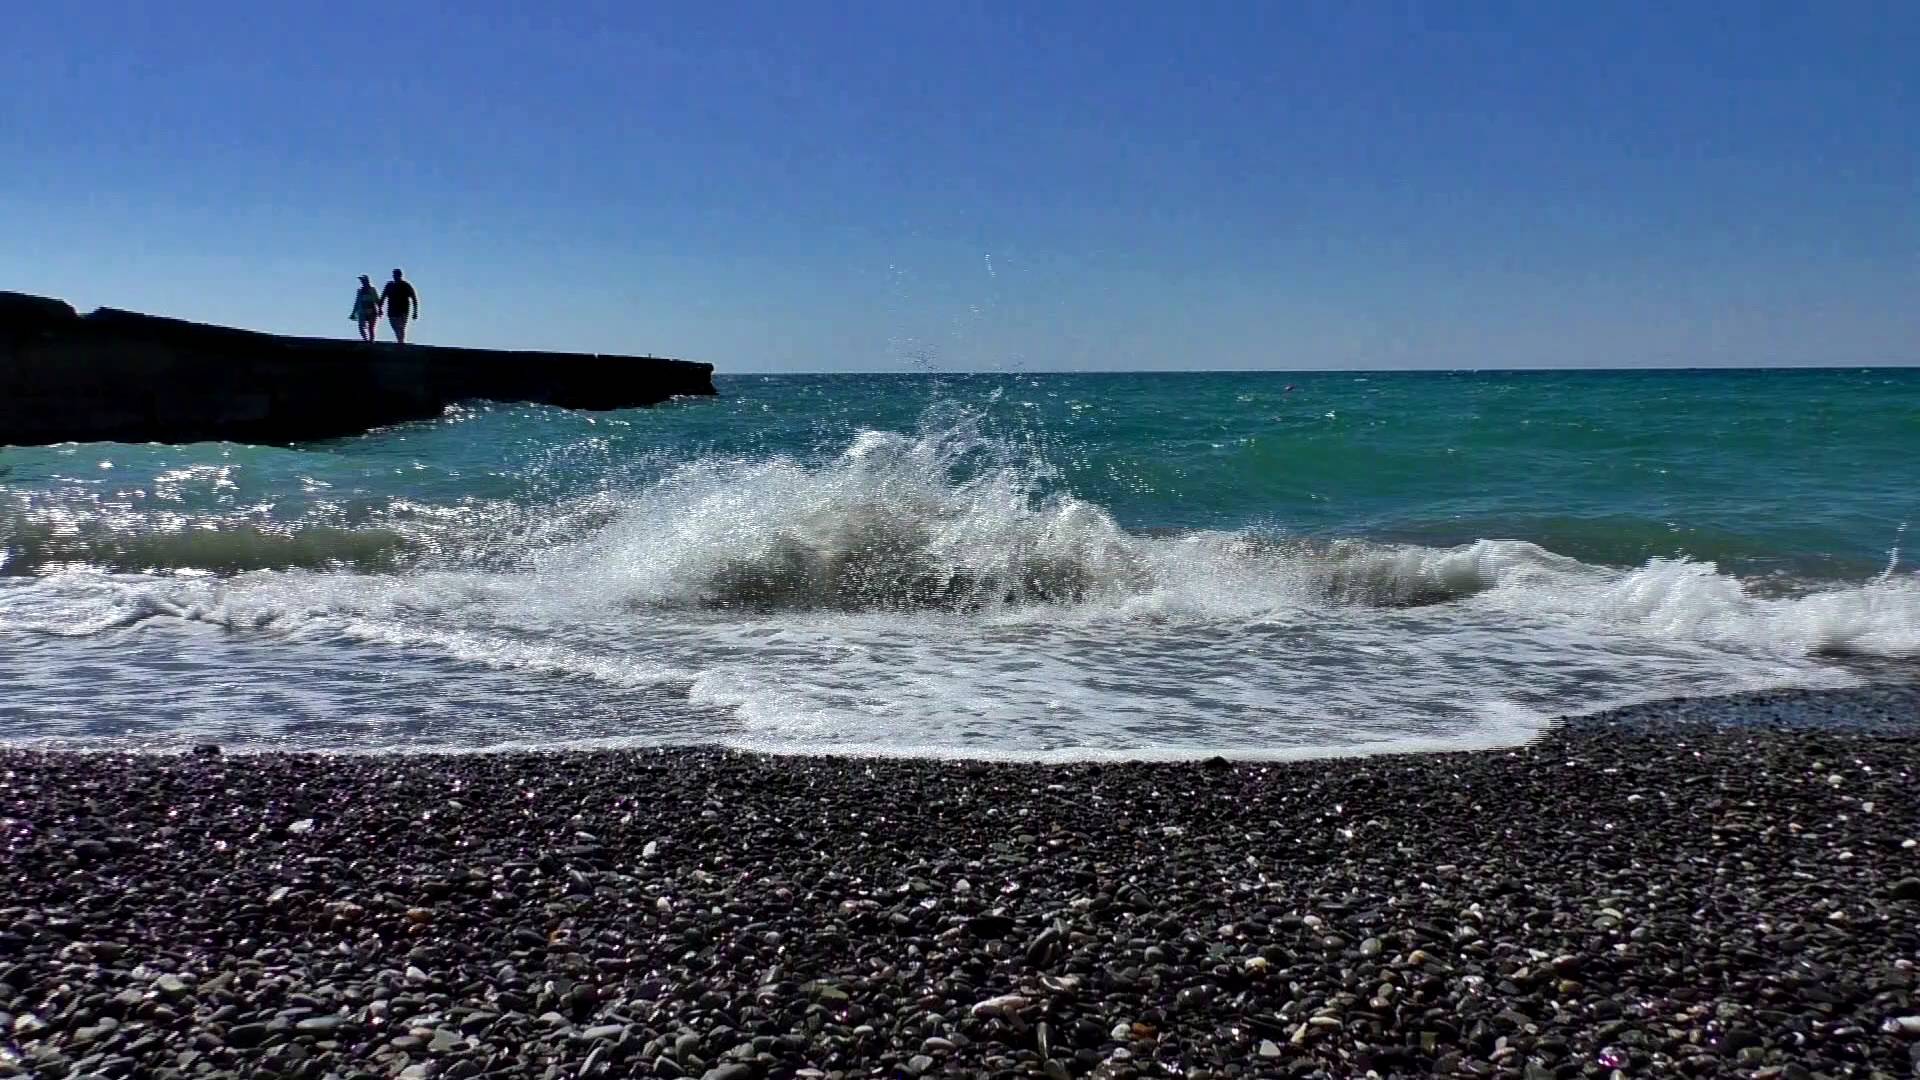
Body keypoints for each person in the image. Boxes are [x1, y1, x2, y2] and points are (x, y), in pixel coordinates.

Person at [380, 269, 420, 344]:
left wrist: (415, 312)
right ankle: (400, 341)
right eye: (394, 275)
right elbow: (383, 297)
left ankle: (401, 342)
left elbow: (414, 298)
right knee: (395, 327)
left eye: (397, 275)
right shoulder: (389, 285)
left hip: (403, 310)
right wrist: (380, 309)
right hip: (392, 311)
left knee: (401, 327)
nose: (395, 276)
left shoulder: (406, 285)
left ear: (400, 275)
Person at [349, 275, 382, 343]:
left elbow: (377, 300)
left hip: (372, 310)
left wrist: (380, 309)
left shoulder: (372, 290)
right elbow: (357, 302)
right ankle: (366, 339)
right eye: (362, 281)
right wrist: (353, 312)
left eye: (363, 280)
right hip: (362, 311)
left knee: (371, 328)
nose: (362, 282)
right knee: (361, 327)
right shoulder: (360, 291)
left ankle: (371, 340)